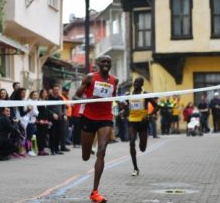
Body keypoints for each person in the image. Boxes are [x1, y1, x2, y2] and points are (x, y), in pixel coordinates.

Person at [74, 55, 118, 203]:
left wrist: (121, 105)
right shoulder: (90, 78)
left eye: (108, 62)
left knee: (101, 151)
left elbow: (114, 97)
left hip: (105, 119)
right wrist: (88, 99)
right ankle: (87, 152)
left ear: (111, 65)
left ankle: (95, 192)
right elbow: (76, 96)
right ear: (98, 64)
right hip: (88, 118)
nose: (106, 64)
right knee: (85, 156)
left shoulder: (114, 80)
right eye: (103, 62)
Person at [126, 77, 157, 176]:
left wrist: (149, 115)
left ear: (142, 84)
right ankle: (135, 168)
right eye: (135, 82)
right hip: (132, 121)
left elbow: (157, 107)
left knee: (142, 148)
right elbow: (126, 106)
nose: (135, 83)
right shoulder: (128, 94)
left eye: (138, 82)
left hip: (143, 123)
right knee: (131, 142)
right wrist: (123, 111)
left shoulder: (146, 94)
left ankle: (142, 146)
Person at [48, 84, 65, 155]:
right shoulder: (49, 98)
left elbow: (63, 107)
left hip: (60, 118)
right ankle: (52, 149)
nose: (56, 91)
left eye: (57, 90)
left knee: (59, 134)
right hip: (52, 119)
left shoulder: (61, 98)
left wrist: (64, 114)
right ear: (52, 90)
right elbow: (48, 108)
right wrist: (52, 114)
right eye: (55, 90)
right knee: (52, 134)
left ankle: (57, 149)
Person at [37, 89, 50, 155]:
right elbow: (37, 112)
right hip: (41, 121)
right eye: (43, 93)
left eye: (46, 93)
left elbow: (47, 111)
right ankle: (40, 150)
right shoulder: (39, 101)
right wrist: (39, 120)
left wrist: (48, 120)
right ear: (41, 94)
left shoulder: (46, 101)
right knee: (40, 136)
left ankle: (42, 149)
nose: (45, 94)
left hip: (46, 120)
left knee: (44, 135)